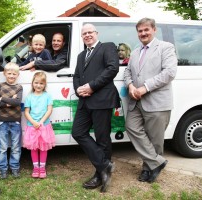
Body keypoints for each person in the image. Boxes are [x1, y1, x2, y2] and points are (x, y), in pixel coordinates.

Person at [123, 18, 177, 183]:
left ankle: (149, 169)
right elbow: (127, 72)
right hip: (136, 101)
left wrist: (145, 87)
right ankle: (156, 163)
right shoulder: (135, 52)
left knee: (155, 139)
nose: (143, 33)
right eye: (140, 31)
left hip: (157, 101)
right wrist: (131, 86)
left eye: (146, 30)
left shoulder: (166, 47)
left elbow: (169, 72)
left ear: (154, 30)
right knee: (131, 127)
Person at [72, 24, 120, 193]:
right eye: (84, 33)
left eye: (90, 32)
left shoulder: (107, 47)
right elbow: (77, 75)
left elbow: (112, 68)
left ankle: (100, 175)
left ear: (96, 33)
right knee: (77, 132)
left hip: (102, 99)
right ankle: (105, 165)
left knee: (102, 138)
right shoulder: (81, 55)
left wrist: (91, 86)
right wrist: (78, 90)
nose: (87, 35)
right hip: (85, 101)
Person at [0, 62, 23, 179]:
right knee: (2, 147)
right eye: (9, 73)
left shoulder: (19, 87)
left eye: (14, 74)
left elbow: (17, 102)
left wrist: (3, 99)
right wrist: (11, 100)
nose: (11, 76)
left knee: (16, 147)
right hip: (2, 121)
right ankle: (3, 169)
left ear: (18, 75)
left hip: (16, 121)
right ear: (4, 73)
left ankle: (14, 167)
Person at [22, 72, 55, 179]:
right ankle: (36, 167)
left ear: (45, 85)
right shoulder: (29, 97)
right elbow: (26, 112)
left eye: (41, 83)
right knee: (34, 148)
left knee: (43, 148)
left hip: (44, 126)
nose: (38, 85)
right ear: (32, 83)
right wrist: (33, 122)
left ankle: (42, 168)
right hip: (32, 127)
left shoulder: (47, 96)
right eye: (36, 83)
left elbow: (49, 110)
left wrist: (41, 121)